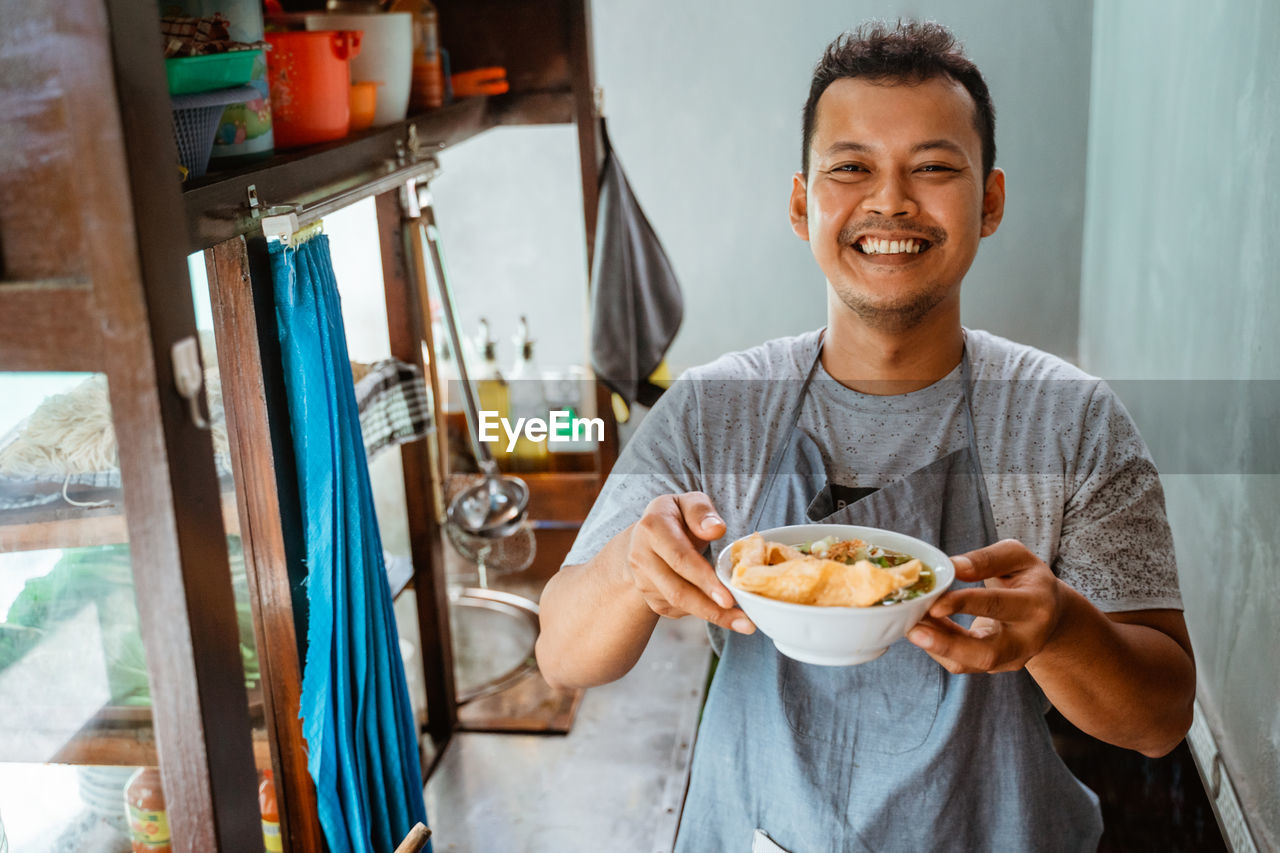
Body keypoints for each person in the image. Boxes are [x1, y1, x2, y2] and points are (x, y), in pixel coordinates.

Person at [535, 20, 1195, 852]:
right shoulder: (716, 409)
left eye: (933, 167)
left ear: (989, 202)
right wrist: (634, 562)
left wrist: (1061, 625)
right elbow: (562, 654)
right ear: (801, 204)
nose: (890, 201)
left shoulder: (1071, 421)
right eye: (851, 167)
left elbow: (1161, 719)